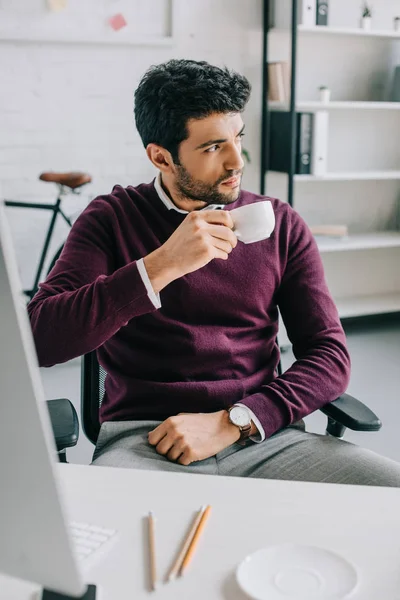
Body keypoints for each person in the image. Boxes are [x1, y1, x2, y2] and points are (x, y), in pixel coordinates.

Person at [28, 59, 400, 486]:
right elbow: (38, 339)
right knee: (100, 538)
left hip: (264, 435)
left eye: (237, 139)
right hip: (145, 441)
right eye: (212, 148)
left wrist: (235, 421)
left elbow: (329, 356)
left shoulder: (280, 223)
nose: (235, 161)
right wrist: (161, 265)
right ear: (161, 157)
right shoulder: (109, 219)